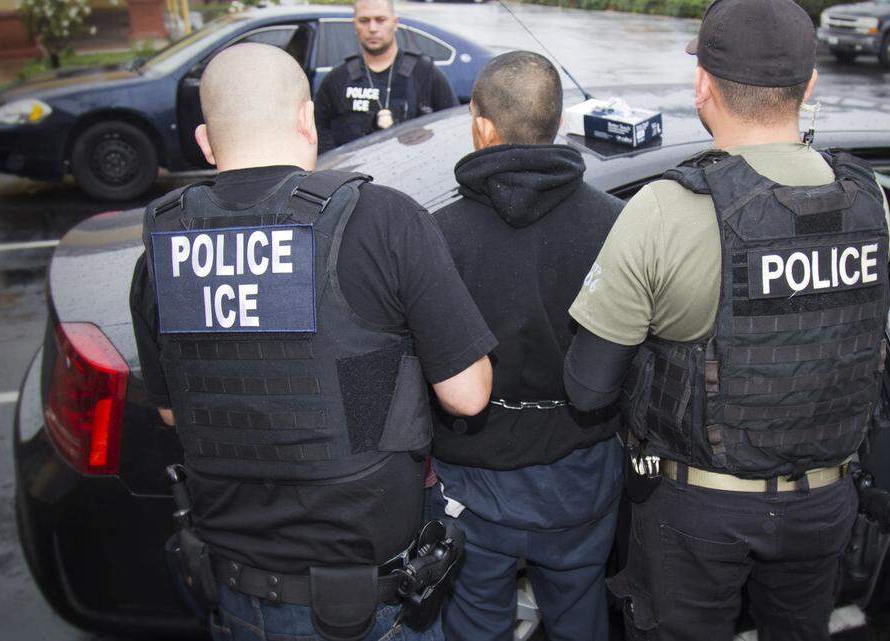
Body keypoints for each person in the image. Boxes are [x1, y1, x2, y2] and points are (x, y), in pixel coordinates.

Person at [129, 42, 496, 641]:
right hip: (365, 605)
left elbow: (173, 410)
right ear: (308, 119)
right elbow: (469, 395)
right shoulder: (382, 221)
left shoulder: (163, 252)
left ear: (205, 141)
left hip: (236, 594)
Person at [563, 1, 890, 640]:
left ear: (702, 86)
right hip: (824, 500)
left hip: (697, 513)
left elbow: (588, 386)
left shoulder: (666, 208)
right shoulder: (868, 199)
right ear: (810, 85)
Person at [428, 51, 625, 641]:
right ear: (556, 123)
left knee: (473, 624)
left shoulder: (438, 237)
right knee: (580, 615)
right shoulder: (618, 225)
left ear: (483, 126)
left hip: (472, 482)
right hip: (582, 476)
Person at [315, 0, 458, 154]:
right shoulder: (338, 78)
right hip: (354, 174)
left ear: (395, 23)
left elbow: (452, 127)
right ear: (355, 25)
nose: (372, 28)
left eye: (380, 20)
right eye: (364, 21)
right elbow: (318, 130)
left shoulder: (425, 73)